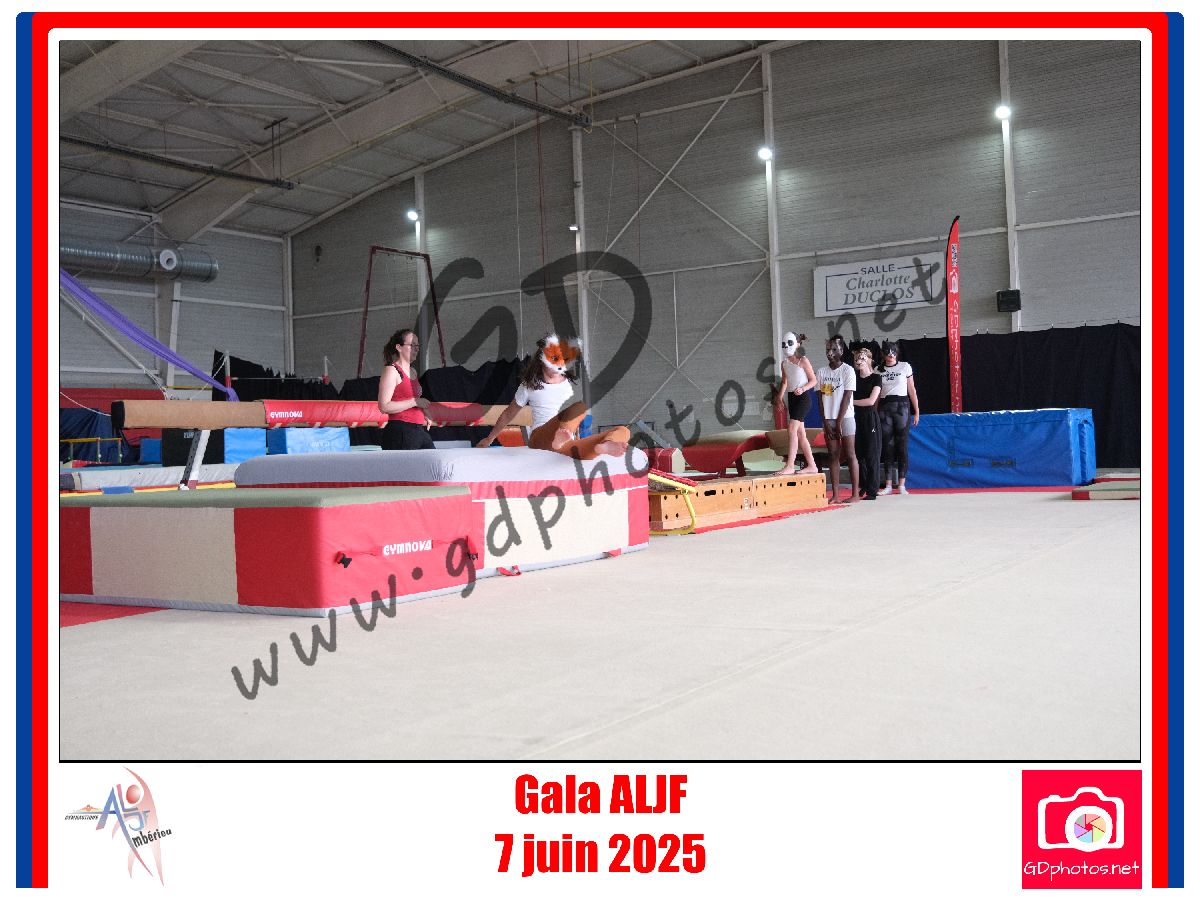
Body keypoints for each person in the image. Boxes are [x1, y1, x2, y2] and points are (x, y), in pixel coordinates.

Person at [476, 334, 631, 459]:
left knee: (623, 430)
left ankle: (604, 446)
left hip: (566, 442)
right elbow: (509, 413)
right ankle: (561, 439)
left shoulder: (568, 384)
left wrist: (578, 438)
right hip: (540, 437)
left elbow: (575, 420)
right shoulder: (530, 385)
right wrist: (489, 438)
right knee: (579, 407)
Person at [815, 335, 859, 503]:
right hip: (829, 419)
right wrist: (826, 422)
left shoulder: (848, 370)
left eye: (834, 349)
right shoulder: (821, 372)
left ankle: (855, 494)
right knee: (833, 454)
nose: (830, 353)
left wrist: (839, 421)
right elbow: (820, 400)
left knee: (850, 453)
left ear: (842, 350)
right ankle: (835, 495)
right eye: (828, 349)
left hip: (845, 418)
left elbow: (847, 397)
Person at [376, 328, 434, 450]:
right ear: (399, 347)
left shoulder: (413, 371)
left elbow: (410, 399)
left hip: (418, 429)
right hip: (400, 430)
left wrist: (424, 410)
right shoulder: (392, 370)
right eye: (412, 345)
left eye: (417, 346)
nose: (416, 349)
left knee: (432, 459)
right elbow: (384, 406)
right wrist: (415, 402)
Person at [877, 339, 920, 495]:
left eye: (893, 352)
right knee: (887, 445)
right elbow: (876, 394)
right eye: (887, 352)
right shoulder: (878, 370)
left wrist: (917, 410)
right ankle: (888, 484)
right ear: (882, 354)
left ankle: (902, 484)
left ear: (897, 353)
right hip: (884, 408)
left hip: (902, 407)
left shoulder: (904, 366)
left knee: (902, 445)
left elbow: (912, 390)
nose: (891, 355)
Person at [774, 331, 818, 475]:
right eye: (784, 344)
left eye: (790, 343)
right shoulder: (784, 364)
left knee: (792, 429)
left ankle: (790, 465)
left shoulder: (803, 361)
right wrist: (779, 397)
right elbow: (785, 382)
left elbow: (814, 380)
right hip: (792, 398)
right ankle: (812, 465)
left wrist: (803, 388)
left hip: (803, 398)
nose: (786, 346)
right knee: (801, 434)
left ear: (798, 344)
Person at [851, 346, 882, 500]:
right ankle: (862, 485)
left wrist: (851, 402)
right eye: (857, 358)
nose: (859, 361)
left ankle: (872, 490)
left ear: (869, 360)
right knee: (859, 454)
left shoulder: (876, 378)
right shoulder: (853, 378)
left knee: (871, 454)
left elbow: (871, 401)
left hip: (870, 418)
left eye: (862, 358)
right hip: (855, 417)